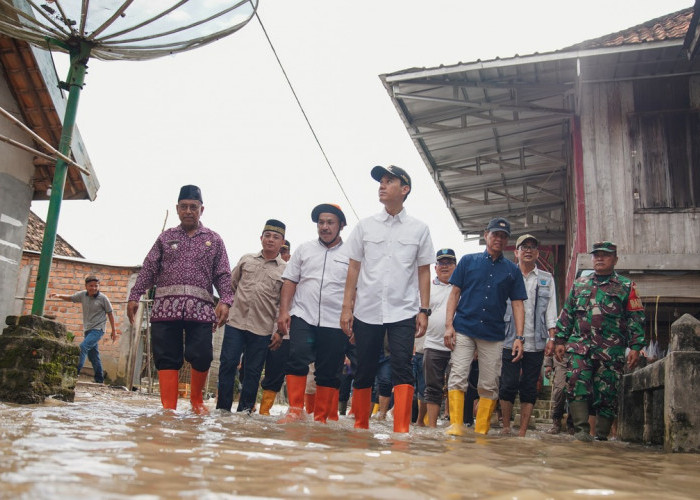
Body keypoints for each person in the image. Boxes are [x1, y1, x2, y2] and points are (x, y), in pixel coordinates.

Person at [340, 165, 434, 433]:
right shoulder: (365, 226)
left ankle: (401, 431)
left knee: (402, 368)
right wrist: (347, 308)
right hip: (367, 310)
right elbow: (354, 268)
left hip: (403, 311)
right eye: (381, 181)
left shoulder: (419, 229)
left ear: (404, 190)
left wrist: (423, 310)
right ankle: (360, 426)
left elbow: (423, 270)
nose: (382, 185)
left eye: (389, 181)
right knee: (364, 369)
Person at [127, 185, 233, 413]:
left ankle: (197, 401)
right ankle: (169, 407)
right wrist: (135, 294)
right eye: (184, 207)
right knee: (166, 356)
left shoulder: (213, 240)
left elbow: (223, 273)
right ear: (177, 209)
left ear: (201, 209)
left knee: (203, 354)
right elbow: (149, 268)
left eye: (193, 207)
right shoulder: (166, 238)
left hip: (201, 308)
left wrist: (225, 299)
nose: (188, 211)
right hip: (165, 308)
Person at [554, 241, 646, 441]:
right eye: (596, 255)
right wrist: (559, 340)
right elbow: (567, 313)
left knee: (607, 394)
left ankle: (602, 437)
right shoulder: (580, 284)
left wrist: (636, 347)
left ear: (615, 259)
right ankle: (581, 433)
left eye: (605, 255)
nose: (600, 258)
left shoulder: (627, 286)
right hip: (580, 347)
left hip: (610, 351)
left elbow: (635, 318)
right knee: (575, 384)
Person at [444, 217, 527, 436]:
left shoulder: (512, 270)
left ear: (507, 241)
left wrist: (519, 337)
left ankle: (481, 430)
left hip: (493, 333)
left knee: (490, 383)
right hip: (464, 328)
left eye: (503, 236)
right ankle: (456, 426)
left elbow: (518, 304)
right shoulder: (468, 261)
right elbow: (454, 294)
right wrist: (448, 326)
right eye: (495, 234)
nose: (498, 239)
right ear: (485, 235)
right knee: (458, 375)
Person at [276, 203, 350, 423]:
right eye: (321, 222)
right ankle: (295, 410)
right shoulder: (304, 249)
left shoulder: (352, 254)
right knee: (298, 355)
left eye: (330, 222)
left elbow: (355, 289)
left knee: (329, 370)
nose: (324, 227)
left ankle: (321, 418)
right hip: (303, 315)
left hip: (335, 321)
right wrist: (284, 312)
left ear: (341, 226)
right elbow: (290, 281)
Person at [216, 219, 287, 413]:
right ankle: (222, 409)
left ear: (282, 242)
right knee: (228, 363)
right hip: (236, 323)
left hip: (262, 328)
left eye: (276, 237)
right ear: (261, 238)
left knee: (253, 372)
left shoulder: (284, 270)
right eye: (267, 236)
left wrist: (278, 332)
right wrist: (224, 304)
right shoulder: (247, 260)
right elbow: (230, 287)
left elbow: (283, 305)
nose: (270, 240)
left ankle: (245, 412)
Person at [498, 234, 558, 436]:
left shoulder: (546, 278)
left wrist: (552, 337)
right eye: (524, 247)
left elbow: (551, 309)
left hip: (536, 341)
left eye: (532, 247)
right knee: (507, 384)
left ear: (537, 253)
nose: (528, 250)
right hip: (509, 339)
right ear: (516, 252)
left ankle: (522, 431)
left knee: (529, 387)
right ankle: (506, 427)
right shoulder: (507, 275)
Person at [52, 275, 116, 383]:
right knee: (93, 355)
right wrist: (59, 295)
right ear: (86, 286)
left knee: (83, 347)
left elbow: (110, 313)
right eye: (91, 286)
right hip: (88, 329)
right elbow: (71, 298)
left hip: (98, 329)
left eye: (96, 286)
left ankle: (74, 373)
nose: (94, 288)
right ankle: (99, 380)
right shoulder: (82, 295)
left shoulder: (103, 298)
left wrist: (114, 331)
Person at [422, 248, 457, 427]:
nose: (445, 266)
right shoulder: (427, 287)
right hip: (432, 344)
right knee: (432, 387)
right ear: (435, 267)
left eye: (449, 263)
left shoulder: (461, 287)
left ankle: (457, 424)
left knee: (457, 386)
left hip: (457, 346)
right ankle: (432, 427)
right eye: (441, 263)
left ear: (455, 266)